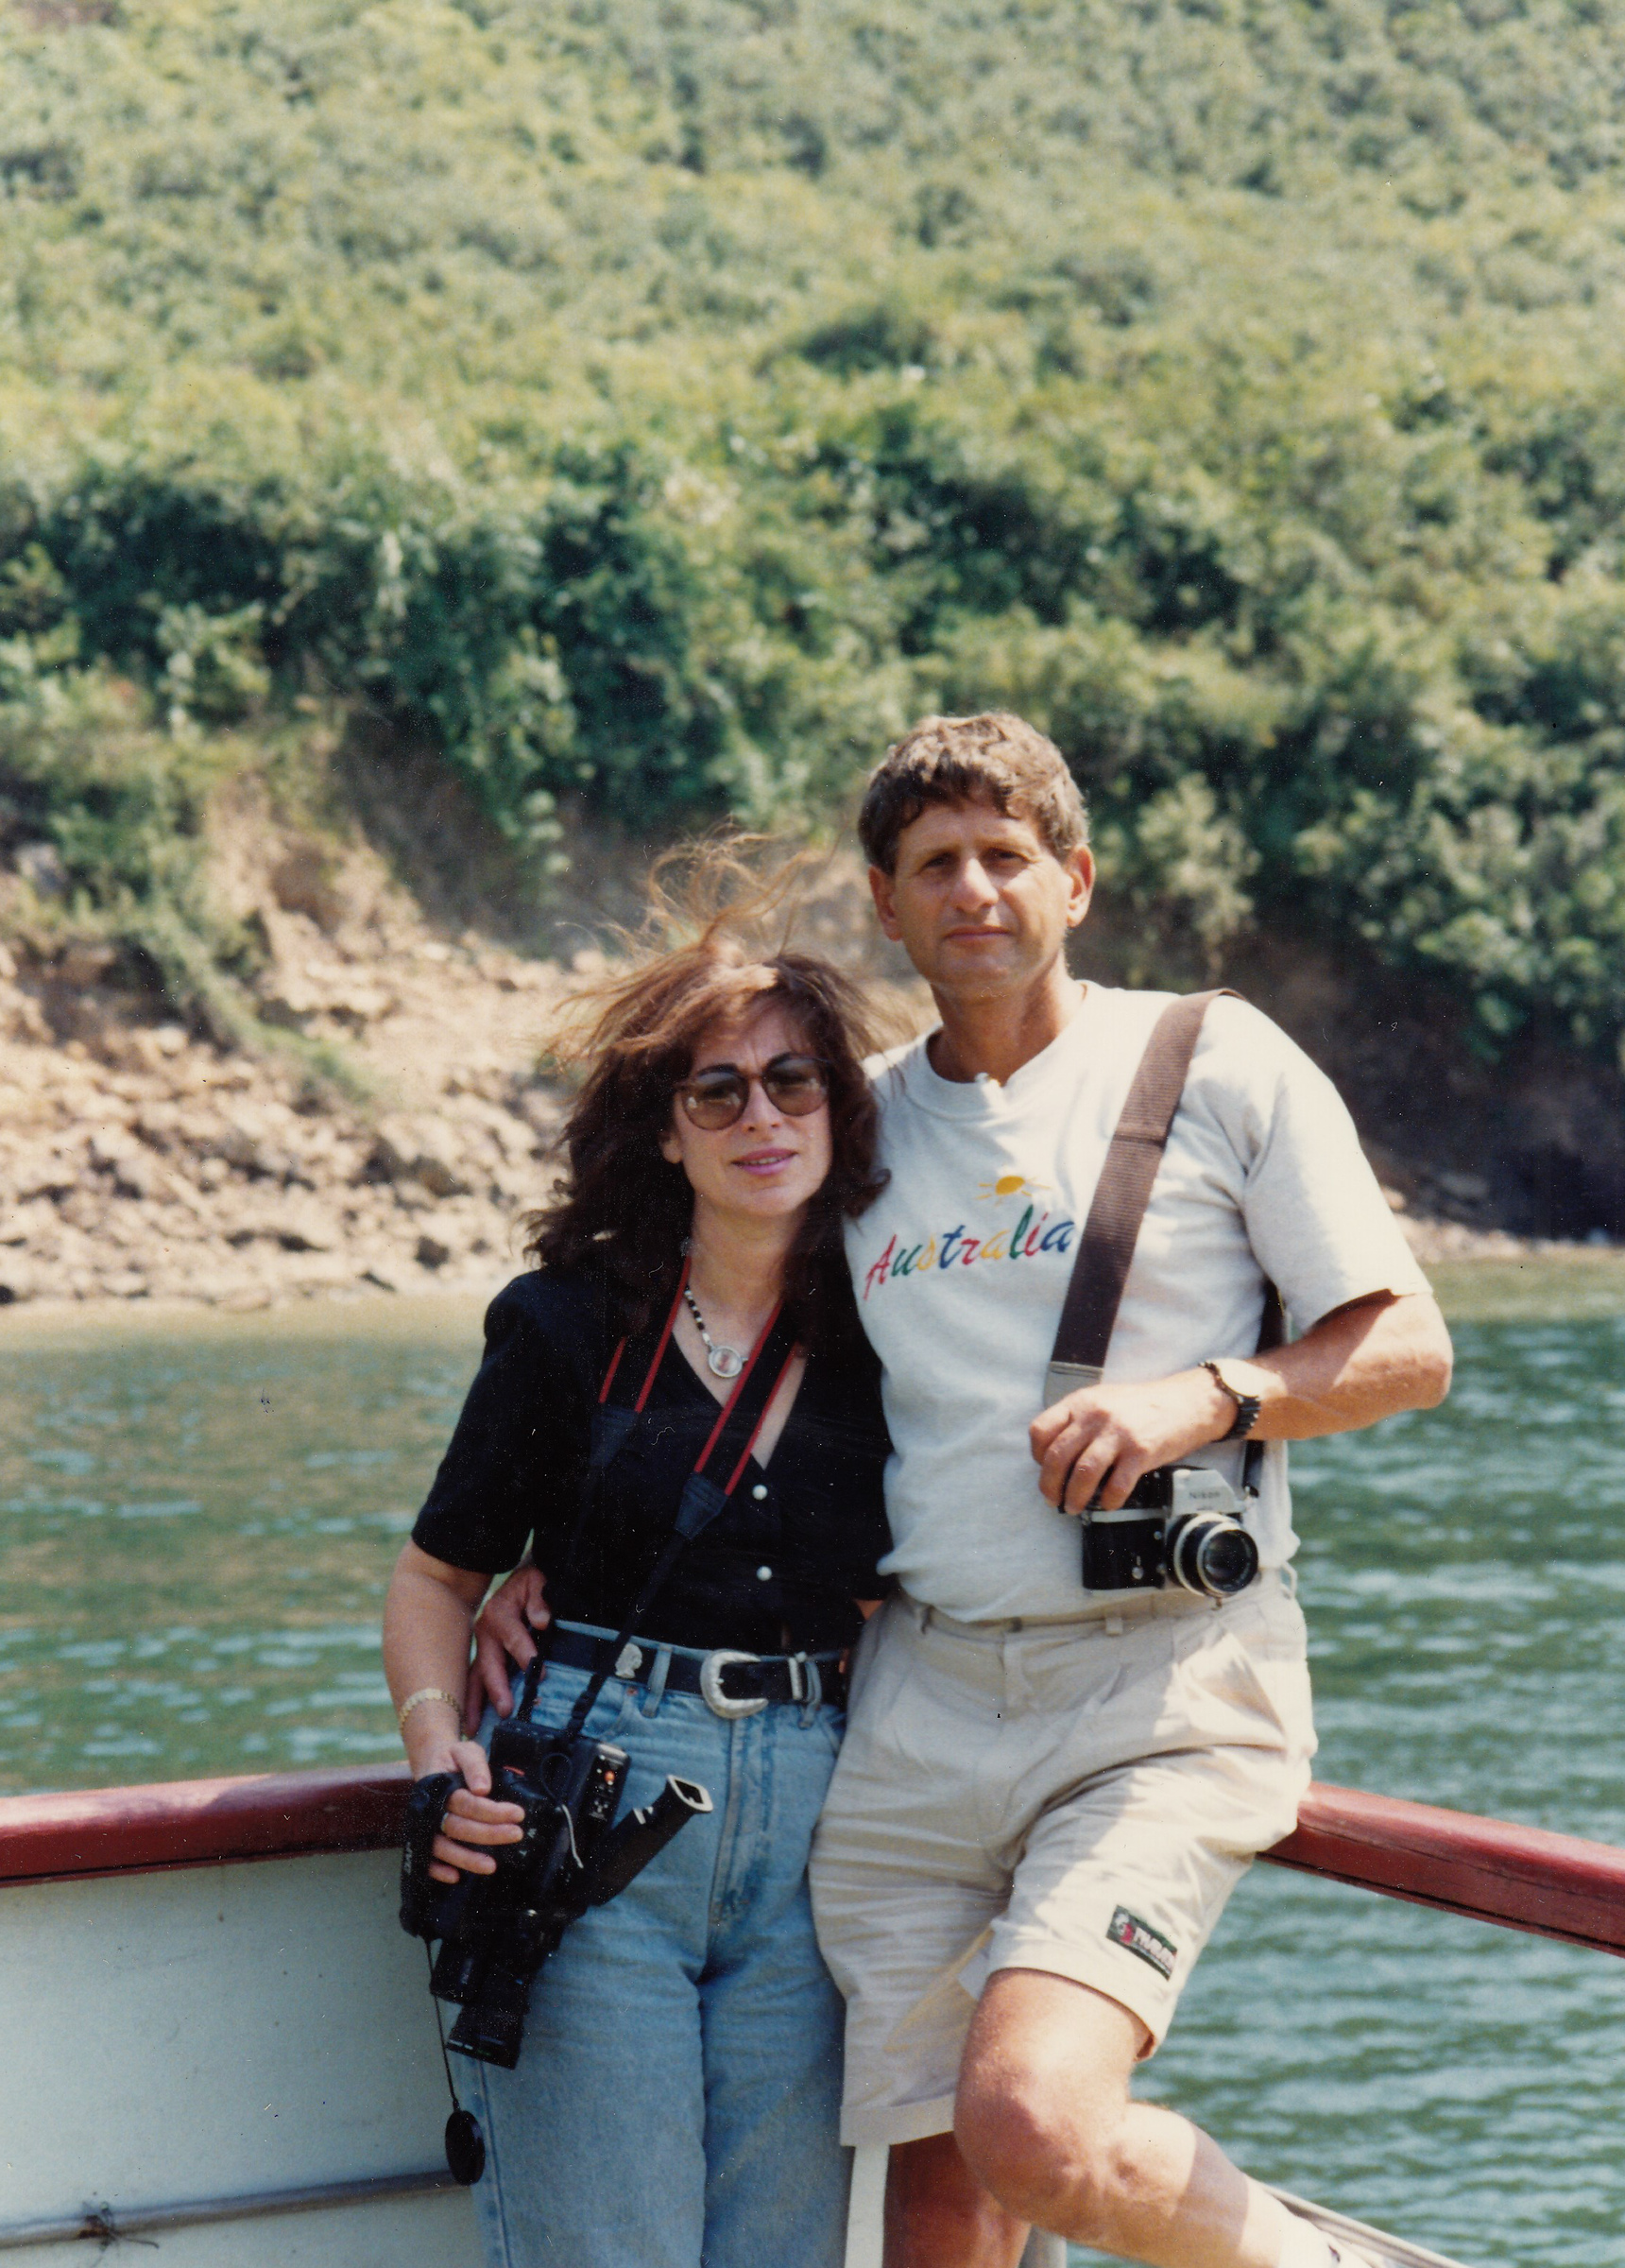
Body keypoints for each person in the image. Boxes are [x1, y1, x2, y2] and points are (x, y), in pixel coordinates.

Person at [478, 712, 1454, 2268]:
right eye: (936, 863)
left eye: (1007, 855)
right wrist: (550, 1569)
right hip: (917, 1705)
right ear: (885, 902)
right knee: (937, 2212)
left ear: (1078, 879)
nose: (975, 889)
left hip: (1158, 1691)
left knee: (1034, 2126)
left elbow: (1407, 1350)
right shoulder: (855, 1120)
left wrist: (1206, 1395)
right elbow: (718, 1337)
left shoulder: (1215, 1059)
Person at [382, 882, 894, 2268]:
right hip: (593, 1804)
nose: (761, 1117)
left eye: (793, 1081)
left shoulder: (894, 1330)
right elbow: (435, 1580)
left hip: (821, 1816)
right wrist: (439, 1761)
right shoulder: (567, 1327)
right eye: (716, 1091)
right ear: (664, 1130)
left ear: (839, 1107)